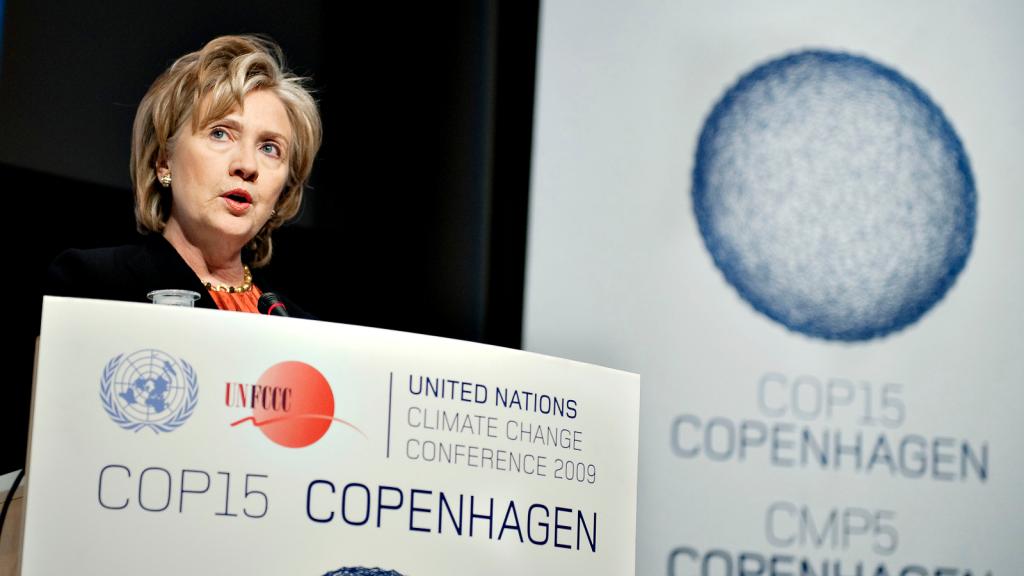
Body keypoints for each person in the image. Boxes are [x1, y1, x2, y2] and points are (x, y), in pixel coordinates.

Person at [47, 35, 322, 318]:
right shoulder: (94, 285)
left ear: (285, 190)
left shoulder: (300, 330)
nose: (247, 166)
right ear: (164, 162)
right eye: (220, 133)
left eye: (269, 148)